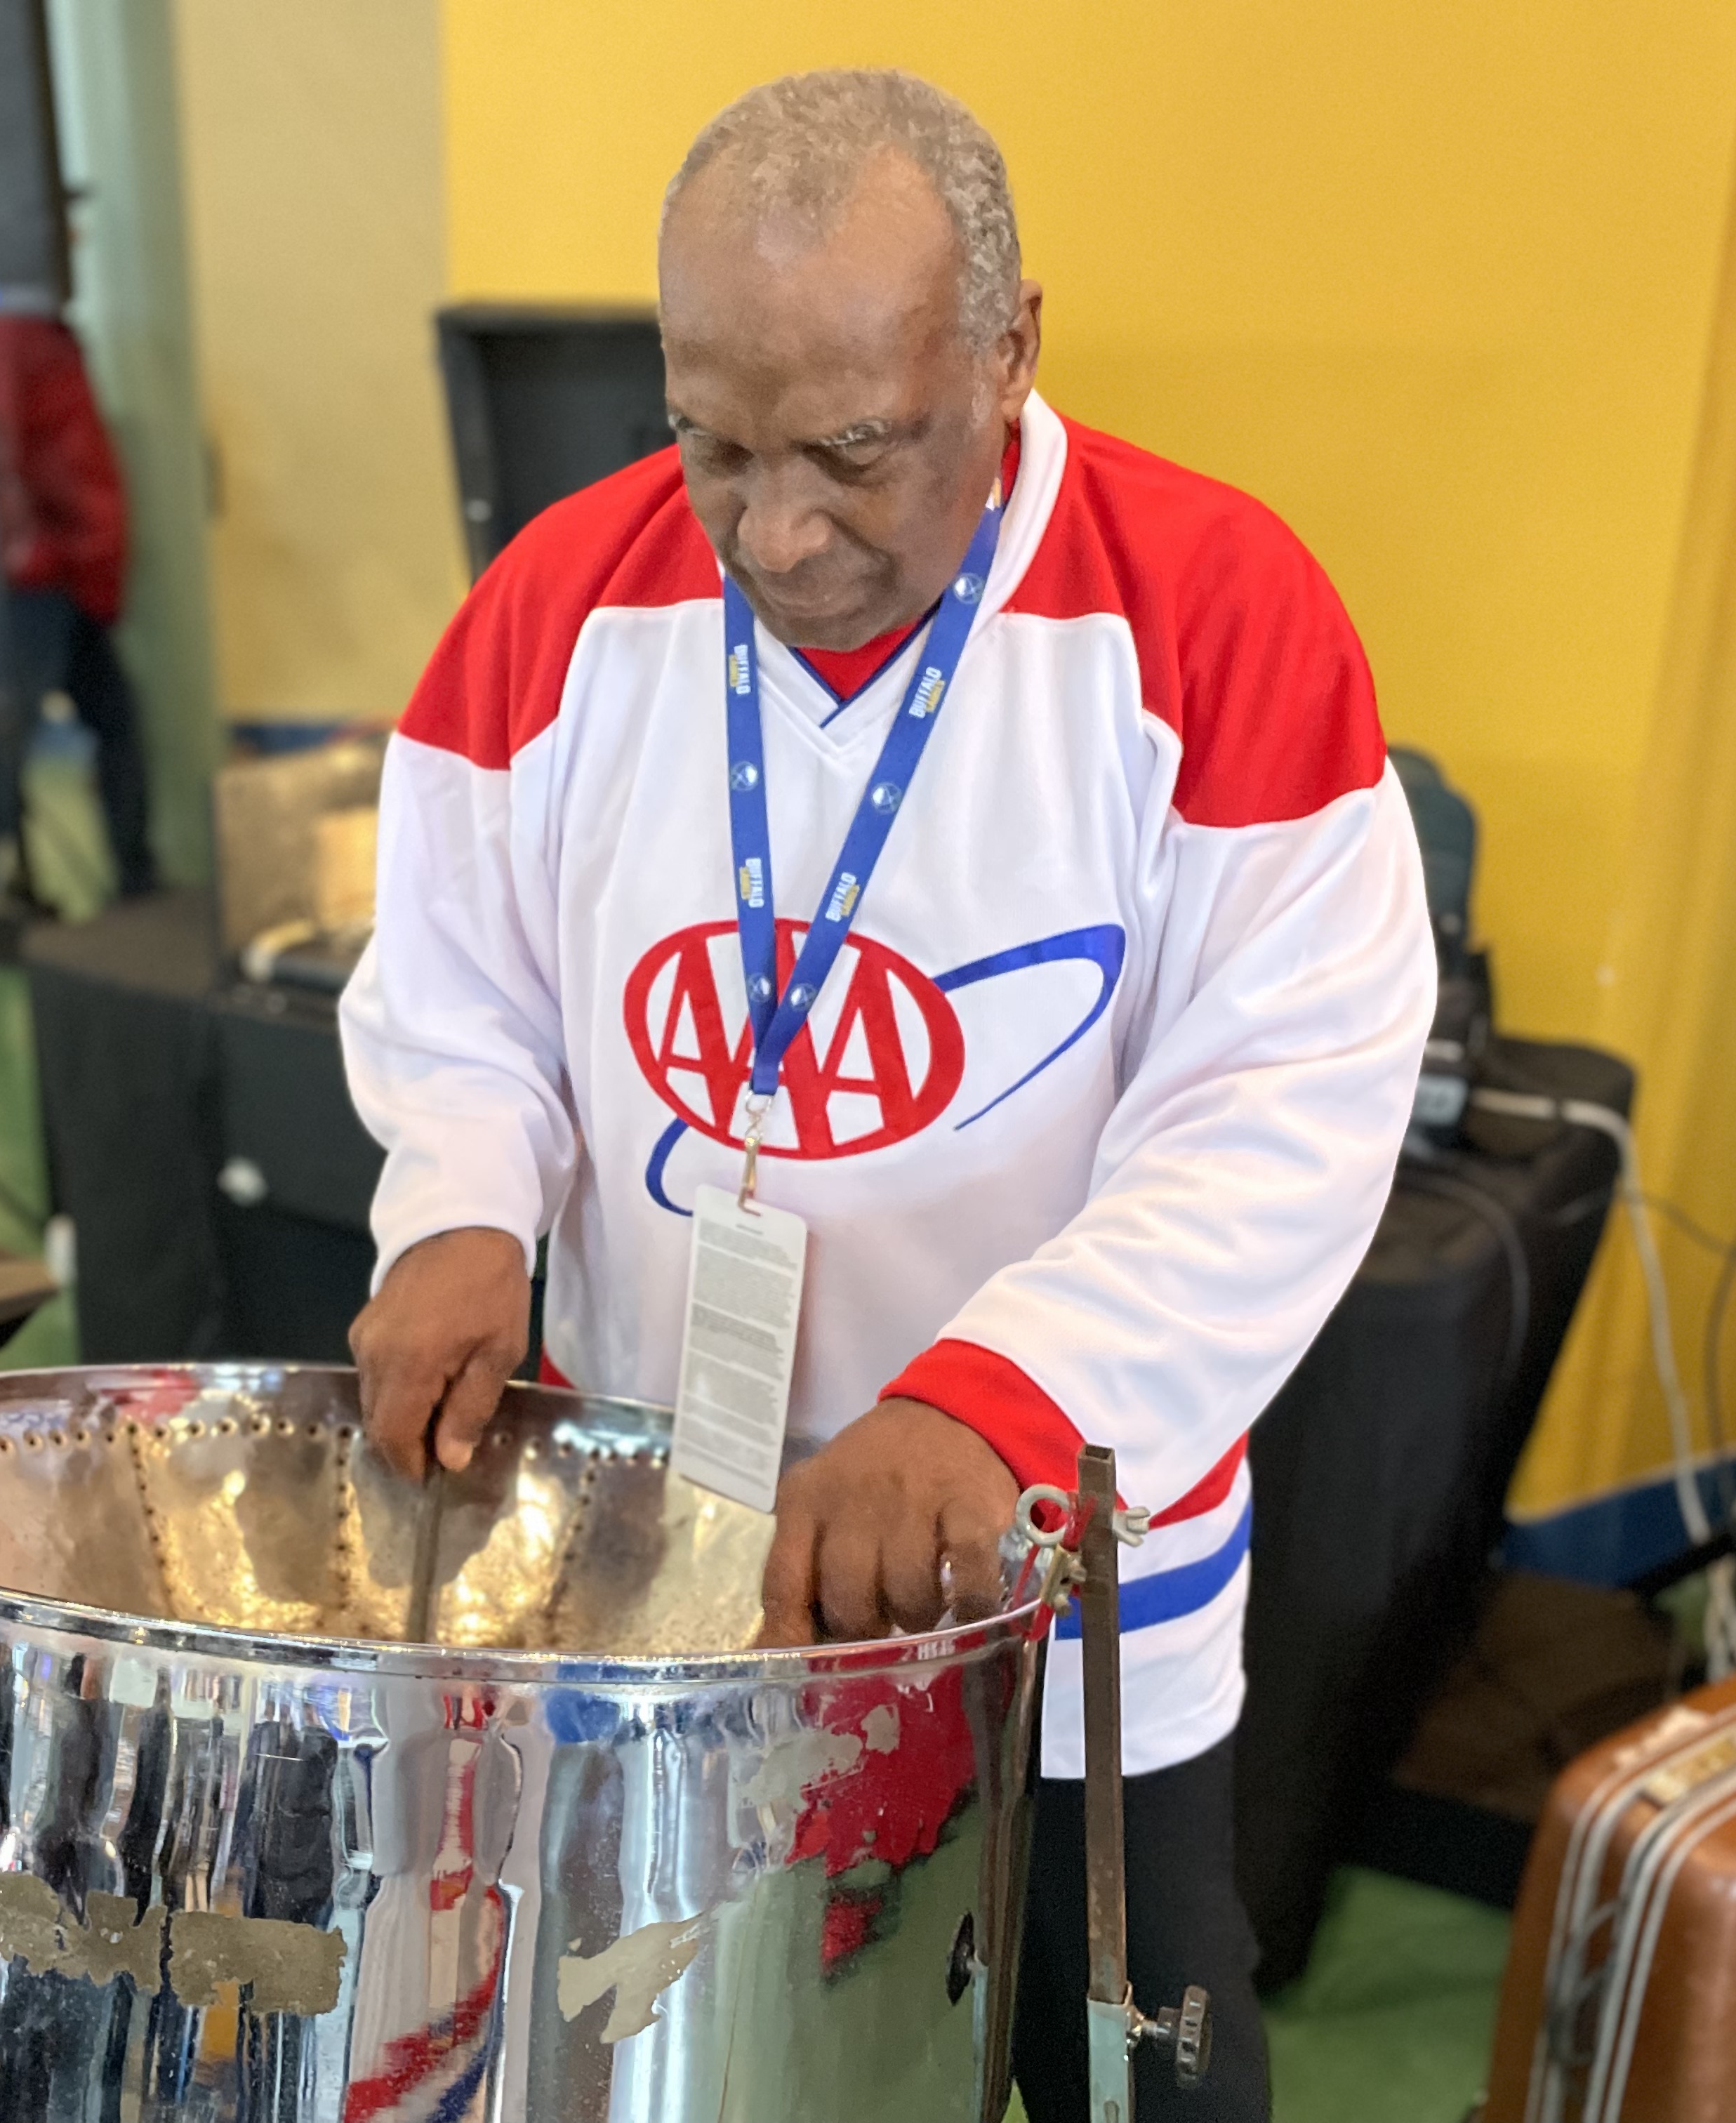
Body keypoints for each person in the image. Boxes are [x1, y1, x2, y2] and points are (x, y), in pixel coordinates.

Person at [337, 72, 1432, 2122]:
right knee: (691, 2042)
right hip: (676, 1544)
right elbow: (461, 986)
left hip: (1060, 1574)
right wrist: (466, 1197)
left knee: (1126, 2054)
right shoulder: (562, 608)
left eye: (858, 451)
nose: (778, 531)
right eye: (713, 444)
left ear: (1011, 350)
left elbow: (1286, 1098)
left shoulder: (1213, 612)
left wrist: (989, 1404)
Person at [0, 315, 157, 947]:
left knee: (117, 722)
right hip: (31, 578)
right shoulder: (4, 335)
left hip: (71, 571)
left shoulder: (45, 332)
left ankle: (137, 879)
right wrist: (20, 561)